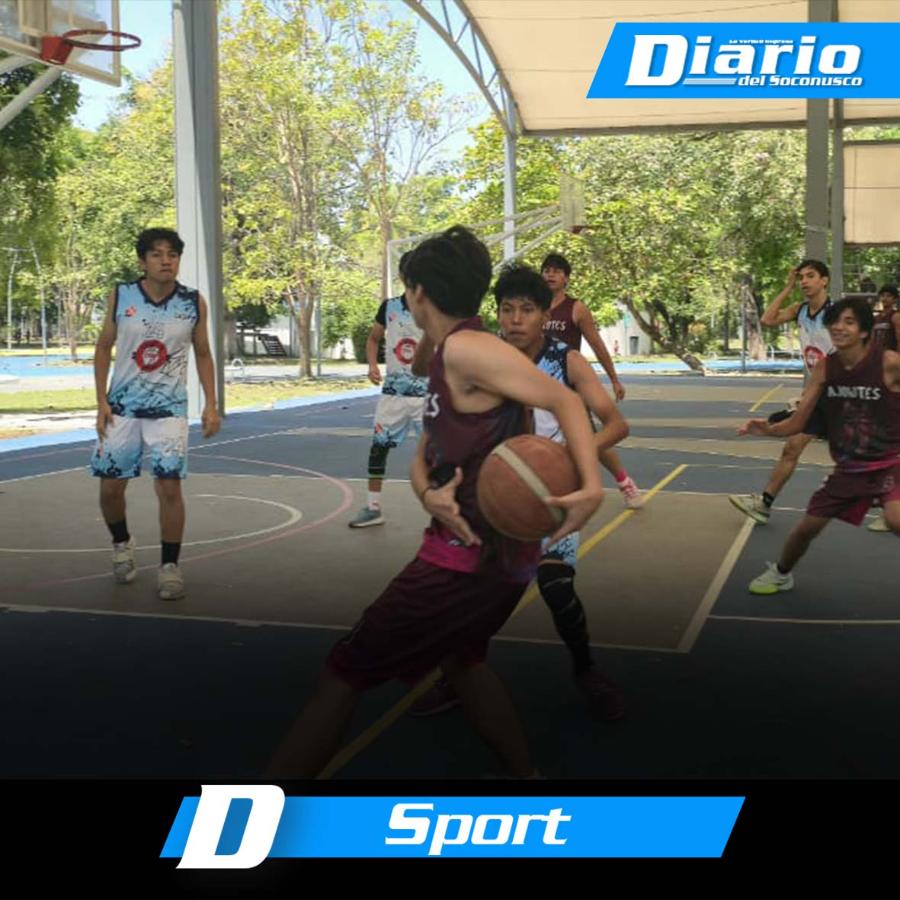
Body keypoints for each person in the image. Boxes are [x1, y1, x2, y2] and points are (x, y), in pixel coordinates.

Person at [266, 226, 603, 779]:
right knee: (463, 662)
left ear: (417, 292)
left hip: (460, 563)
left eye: (409, 290)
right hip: (491, 557)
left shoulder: (471, 349)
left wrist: (590, 486)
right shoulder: (453, 349)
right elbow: (425, 394)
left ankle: (252, 819)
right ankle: (528, 779)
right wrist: (427, 491)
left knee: (341, 675)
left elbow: (566, 402)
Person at [410, 263, 628, 720]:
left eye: (526, 310)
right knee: (472, 593)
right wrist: (432, 320)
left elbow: (616, 424)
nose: (514, 319)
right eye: (506, 309)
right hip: (493, 495)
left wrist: (567, 458)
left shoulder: (566, 361)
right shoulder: (483, 355)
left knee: (556, 585)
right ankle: (458, 678)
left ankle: (586, 670)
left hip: (552, 495)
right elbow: (424, 368)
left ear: (545, 314)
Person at [91, 227, 220, 601]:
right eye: (157, 254)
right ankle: (121, 543)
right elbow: (103, 348)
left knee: (169, 486)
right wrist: (101, 401)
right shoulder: (122, 295)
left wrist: (211, 404)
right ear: (143, 261)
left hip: (169, 408)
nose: (166, 261)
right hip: (122, 407)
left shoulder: (192, 302)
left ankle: (169, 566)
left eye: (172, 255)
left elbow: (203, 353)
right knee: (111, 488)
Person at [739, 296, 900, 594]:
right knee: (806, 530)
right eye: (835, 321)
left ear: (864, 331)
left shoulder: (888, 363)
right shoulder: (825, 369)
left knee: (895, 518)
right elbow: (798, 422)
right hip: (849, 469)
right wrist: (769, 430)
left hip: (890, 462)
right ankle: (781, 573)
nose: (839, 327)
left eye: (849, 322)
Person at [729, 260, 833, 525]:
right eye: (801, 277)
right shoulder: (799, 310)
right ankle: (764, 503)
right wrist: (787, 287)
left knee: (858, 453)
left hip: (838, 392)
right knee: (792, 447)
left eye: (811, 276)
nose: (804, 281)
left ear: (824, 280)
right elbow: (767, 319)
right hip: (820, 393)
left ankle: (889, 503)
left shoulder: (836, 313)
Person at [541, 252, 642, 508]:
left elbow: (597, 344)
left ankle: (624, 482)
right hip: (538, 385)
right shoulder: (534, 307)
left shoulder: (576, 308)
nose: (550, 275)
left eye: (556, 271)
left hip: (570, 385)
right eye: (547, 270)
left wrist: (614, 379)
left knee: (588, 437)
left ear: (566, 278)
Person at [348, 251, 428, 528]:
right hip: (393, 395)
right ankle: (373, 507)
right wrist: (372, 365)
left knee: (438, 456)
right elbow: (373, 339)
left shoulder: (433, 307)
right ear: (403, 276)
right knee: (378, 448)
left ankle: (447, 513)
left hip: (427, 397)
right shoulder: (389, 307)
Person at [866, 285, 900, 532]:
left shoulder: (896, 317)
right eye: (883, 295)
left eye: (889, 296)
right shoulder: (877, 319)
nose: (885, 299)